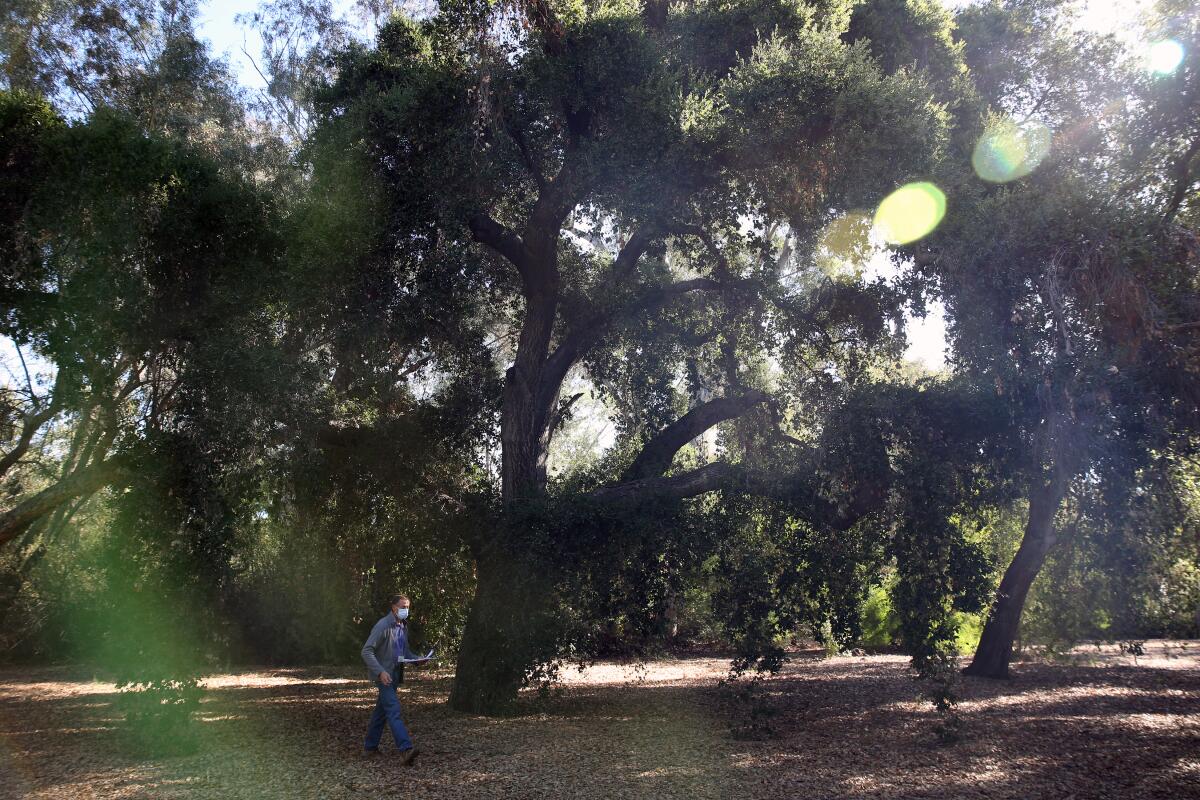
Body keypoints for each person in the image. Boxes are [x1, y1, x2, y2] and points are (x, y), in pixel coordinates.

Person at [361, 593, 427, 764]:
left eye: (408, 607)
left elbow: (404, 653)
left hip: (396, 674)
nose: (405, 610)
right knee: (393, 710)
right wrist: (380, 672)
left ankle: (370, 747)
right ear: (393, 607)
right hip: (385, 676)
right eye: (402, 607)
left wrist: (418, 660)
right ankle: (406, 749)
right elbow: (366, 651)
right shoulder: (382, 625)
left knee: (381, 712)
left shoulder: (403, 626)